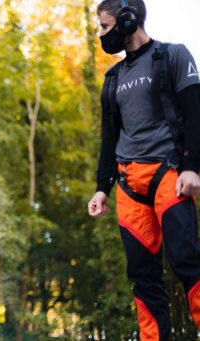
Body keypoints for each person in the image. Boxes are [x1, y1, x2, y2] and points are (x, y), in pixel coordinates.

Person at [87, 0, 200, 339]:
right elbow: (109, 138)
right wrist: (101, 188)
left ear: (127, 19)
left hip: (169, 174)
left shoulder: (173, 56)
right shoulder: (113, 78)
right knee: (141, 274)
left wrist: (192, 167)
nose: (101, 34)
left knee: (186, 259)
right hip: (128, 184)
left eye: (105, 26)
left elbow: (196, 114)